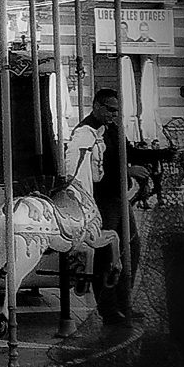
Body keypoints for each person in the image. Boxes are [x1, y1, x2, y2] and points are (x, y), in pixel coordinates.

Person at [72, 89, 140, 324]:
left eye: (117, 109)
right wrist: (128, 170)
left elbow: (128, 153)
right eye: (110, 109)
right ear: (97, 106)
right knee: (107, 253)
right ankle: (108, 308)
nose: (114, 114)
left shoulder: (114, 129)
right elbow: (96, 171)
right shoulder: (86, 132)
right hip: (102, 199)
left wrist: (161, 155)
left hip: (119, 197)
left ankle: (124, 302)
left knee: (131, 247)